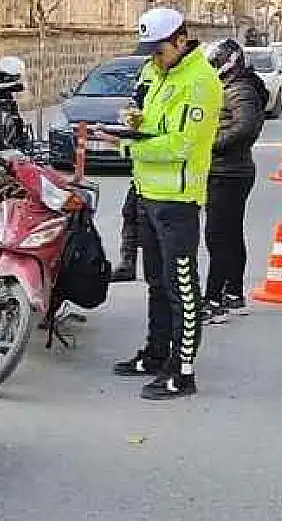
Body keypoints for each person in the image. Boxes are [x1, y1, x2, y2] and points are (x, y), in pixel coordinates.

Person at [95, 6, 223, 400]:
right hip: (148, 194)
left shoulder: (201, 82)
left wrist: (127, 144)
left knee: (180, 286)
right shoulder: (154, 71)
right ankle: (154, 354)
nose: (154, 56)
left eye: (160, 48)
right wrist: (132, 121)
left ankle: (181, 372)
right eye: (149, 49)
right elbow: (150, 122)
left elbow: (183, 144)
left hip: (178, 200)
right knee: (155, 281)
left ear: (182, 40)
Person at [201, 38, 269, 325]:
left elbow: (245, 128)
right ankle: (234, 293)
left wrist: (208, 144)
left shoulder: (240, 88)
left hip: (229, 171)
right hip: (228, 170)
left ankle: (214, 299)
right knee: (229, 233)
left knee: (218, 236)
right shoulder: (230, 86)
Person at [110, 61, 159, 283]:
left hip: (161, 171)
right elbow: (139, 101)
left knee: (154, 226)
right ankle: (128, 264)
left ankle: (158, 271)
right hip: (143, 171)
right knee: (130, 213)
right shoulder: (150, 68)